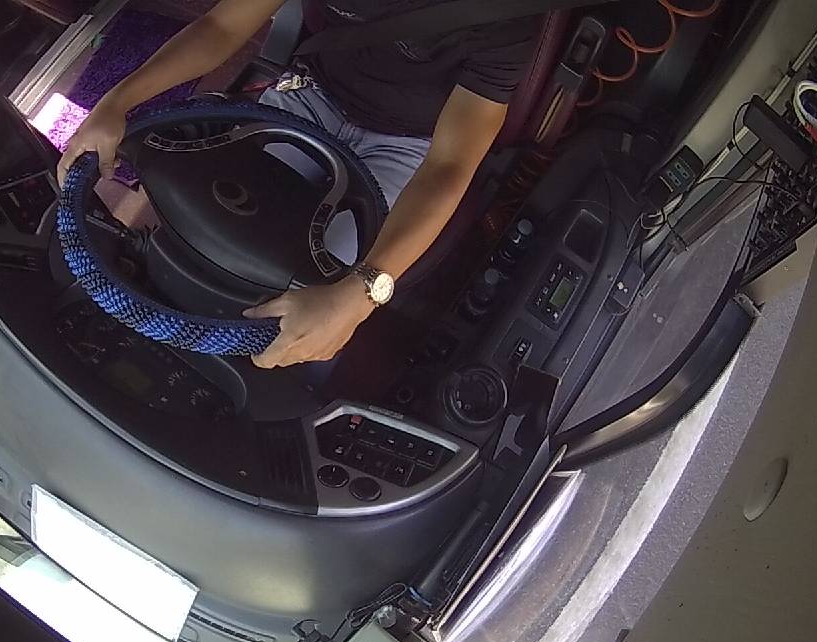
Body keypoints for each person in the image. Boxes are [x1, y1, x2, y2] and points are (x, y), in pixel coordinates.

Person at [58, 0, 537, 368]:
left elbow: (448, 165)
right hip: (311, 94)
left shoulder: (509, 17)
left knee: (320, 283)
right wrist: (116, 104)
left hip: (412, 144)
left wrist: (361, 294)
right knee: (224, 222)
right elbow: (221, 27)